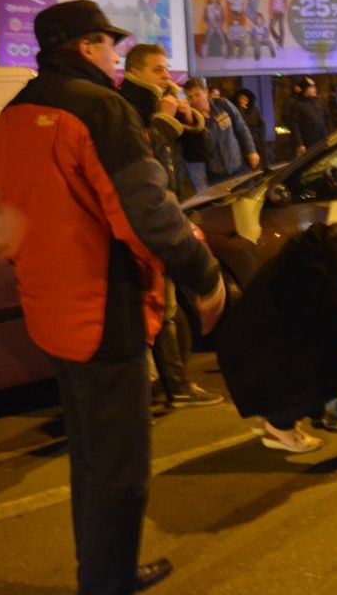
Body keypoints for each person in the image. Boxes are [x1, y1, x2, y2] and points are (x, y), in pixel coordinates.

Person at [0, 0, 227, 594]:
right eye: (111, 45)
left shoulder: (15, 112)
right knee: (120, 464)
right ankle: (109, 581)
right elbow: (146, 213)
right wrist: (204, 275)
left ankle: (101, 572)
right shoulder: (100, 109)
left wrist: (35, 259)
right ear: (86, 47)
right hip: (103, 311)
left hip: (49, 309)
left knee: (90, 455)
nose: (116, 55)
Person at [215, 222, 337, 452]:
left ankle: (276, 413)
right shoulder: (317, 282)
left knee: (333, 358)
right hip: (255, 360)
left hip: (246, 352)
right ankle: (279, 426)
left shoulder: (295, 263)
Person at [121, 44, 224, 409]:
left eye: (167, 69)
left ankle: (172, 385)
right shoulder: (126, 107)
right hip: (145, 222)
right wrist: (164, 117)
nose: (167, 76)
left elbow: (198, 150)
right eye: (158, 70)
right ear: (134, 72)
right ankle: (161, 387)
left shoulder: (156, 104)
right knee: (154, 307)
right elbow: (140, 159)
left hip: (164, 212)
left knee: (166, 305)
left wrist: (189, 118)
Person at [184, 78, 260, 184]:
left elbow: (241, 127)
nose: (194, 100)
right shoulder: (192, 120)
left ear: (206, 92)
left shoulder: (223, 104)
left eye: (197, 95)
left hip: (238, 166)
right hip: (215, 175)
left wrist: (251, 151)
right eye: (190, 97)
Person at [287, 76, 329, 157]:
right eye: (311, 87)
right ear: (305, 90)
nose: (315, 89)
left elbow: (327, 120)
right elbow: (294, 126)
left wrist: (329, 135)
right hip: (308, 143)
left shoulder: (320, 103)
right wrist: (299, 143)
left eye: (315, 87)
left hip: (322, 140)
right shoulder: (298, 105)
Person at [233, 88, 268, 171]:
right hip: (243, 143)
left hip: (257, 140)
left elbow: (262, 124)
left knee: (262, 164)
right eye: (242, 98)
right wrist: (241, 109)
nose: (244, 100)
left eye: (246, 98)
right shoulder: (235, 110)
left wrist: (261, 137)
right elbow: (240, 125)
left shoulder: (254, 110)